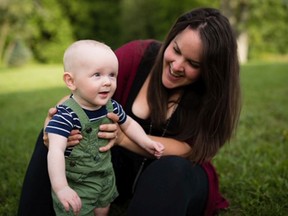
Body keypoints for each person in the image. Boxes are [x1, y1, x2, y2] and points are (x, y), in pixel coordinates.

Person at [18, 7, 241, 216]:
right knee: (59, 134)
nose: (176, 65)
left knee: (171, 170)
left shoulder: (211, 94)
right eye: (176, 50)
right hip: (114, 166)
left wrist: (125, 138)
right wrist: (54, 124)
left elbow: (190, 149)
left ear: (209, 70)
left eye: (193, 63)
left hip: (176, 175)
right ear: (170, 39)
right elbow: (84, 92)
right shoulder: (137, 56)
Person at [45, 40, 164, 216]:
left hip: (105, 175)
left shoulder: (112, 106)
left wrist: (146, 142)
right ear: (71, 81)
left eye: (112, 75)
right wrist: (61, 187)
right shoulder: (66, 115)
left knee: (103, 207)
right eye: (97, 75)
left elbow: (129, 124)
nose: (107, 82)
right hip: (78, 183)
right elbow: (55, 150)